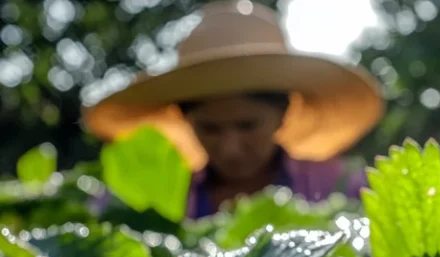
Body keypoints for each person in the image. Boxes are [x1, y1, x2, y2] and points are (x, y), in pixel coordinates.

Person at [81, 0, 384, 218]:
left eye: (247, 125)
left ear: (283, 114)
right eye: (210, 128)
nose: (231, 147)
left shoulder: (342, 189)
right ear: (185, 120)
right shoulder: (145, 200)